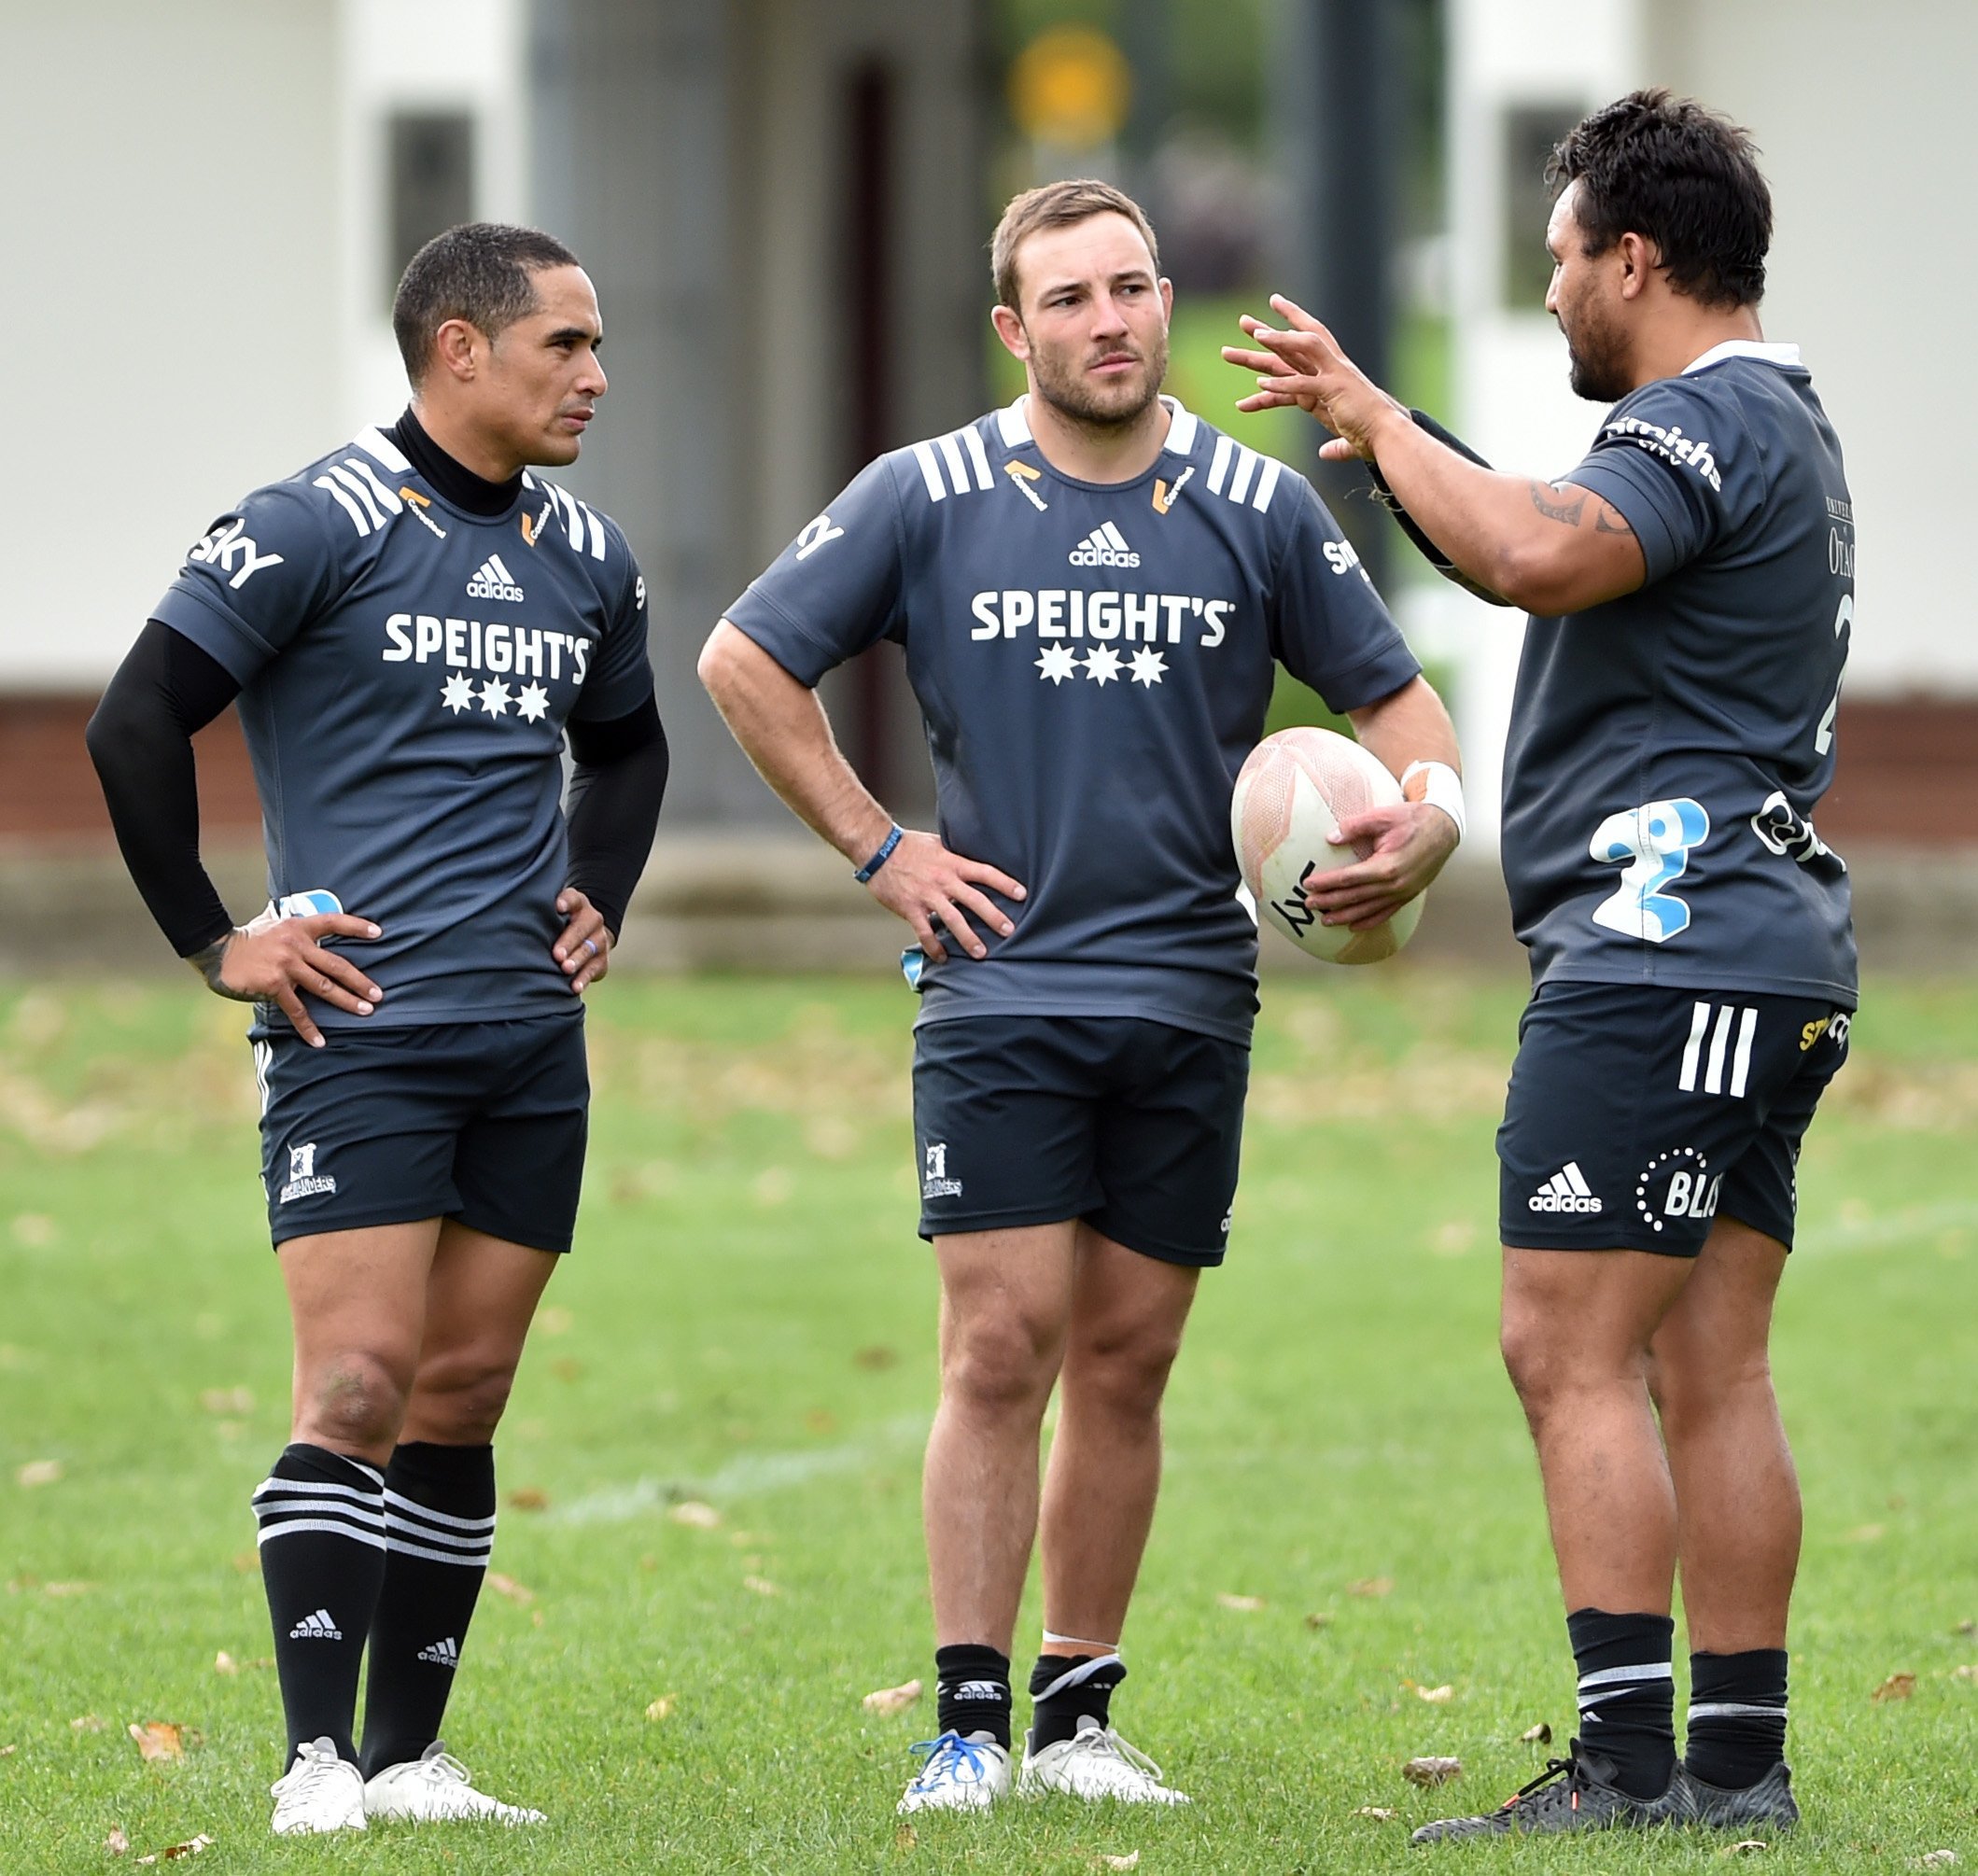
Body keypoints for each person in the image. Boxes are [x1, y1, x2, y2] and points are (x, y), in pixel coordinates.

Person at [699, 178, 1462, 1813]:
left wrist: (1431, 828)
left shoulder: (1259, 506)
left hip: (1194, 990)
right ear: (1013, 329)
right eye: (1069, 298)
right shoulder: (929, 492)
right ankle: (967, 1722)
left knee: (1128, 1358)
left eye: (1130, 288)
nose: (1107, 320)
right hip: (1000, 987)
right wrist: (880, 847)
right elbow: (745, 661)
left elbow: (1401, 707)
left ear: (1164, 300)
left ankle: (1080, 1716)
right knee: (1000, 1341)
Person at [1227, 91, 1854, 1840]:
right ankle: (1737, 1773)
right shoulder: (1772, 420)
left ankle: (1630, 1766)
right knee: (1706, 1361)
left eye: (1563, 259)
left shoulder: (1700, 422)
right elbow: (1526, 530)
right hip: (1765, 953)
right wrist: (1401, 432)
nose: (1557, 289)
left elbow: (1528, 553)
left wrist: (1366, 409)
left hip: (1661, 958)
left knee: (1563, 1348)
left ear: (1633, 258)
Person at [86, 223, 667, 1835]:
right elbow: (134, 723)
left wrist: (596, 890)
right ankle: (313, 1762)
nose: (597, 375)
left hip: (527, 1040)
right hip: (361, 1033)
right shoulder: (309, 525)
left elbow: (627, 749)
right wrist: (219, 942)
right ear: (459, 349)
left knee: (463, 1392)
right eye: (566, 344)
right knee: (351, 1381)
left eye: (598, 342)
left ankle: (412, 1759)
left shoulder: (589, 555)